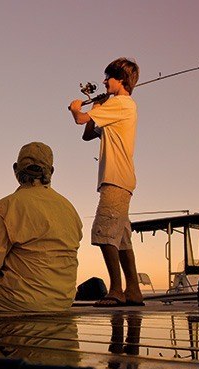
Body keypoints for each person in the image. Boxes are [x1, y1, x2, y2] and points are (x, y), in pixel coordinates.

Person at [67, 57, 144, 307]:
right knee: (121, 238)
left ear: (120, 79)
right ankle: (133, 291)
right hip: (121, 179)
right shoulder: (115, 107)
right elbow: (87, 134)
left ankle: (116, 290)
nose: (103, 81)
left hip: (115, 179)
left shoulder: (122, 103)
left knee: (102, 233)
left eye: (108, 77)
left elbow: (80, 119)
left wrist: (76, 108)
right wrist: (98, 107)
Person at [0, 142, 82, 312]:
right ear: (52, 171)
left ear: (15, 169)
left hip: (17, 301)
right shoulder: (69, 208)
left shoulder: (8, 206)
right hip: (62, 301)